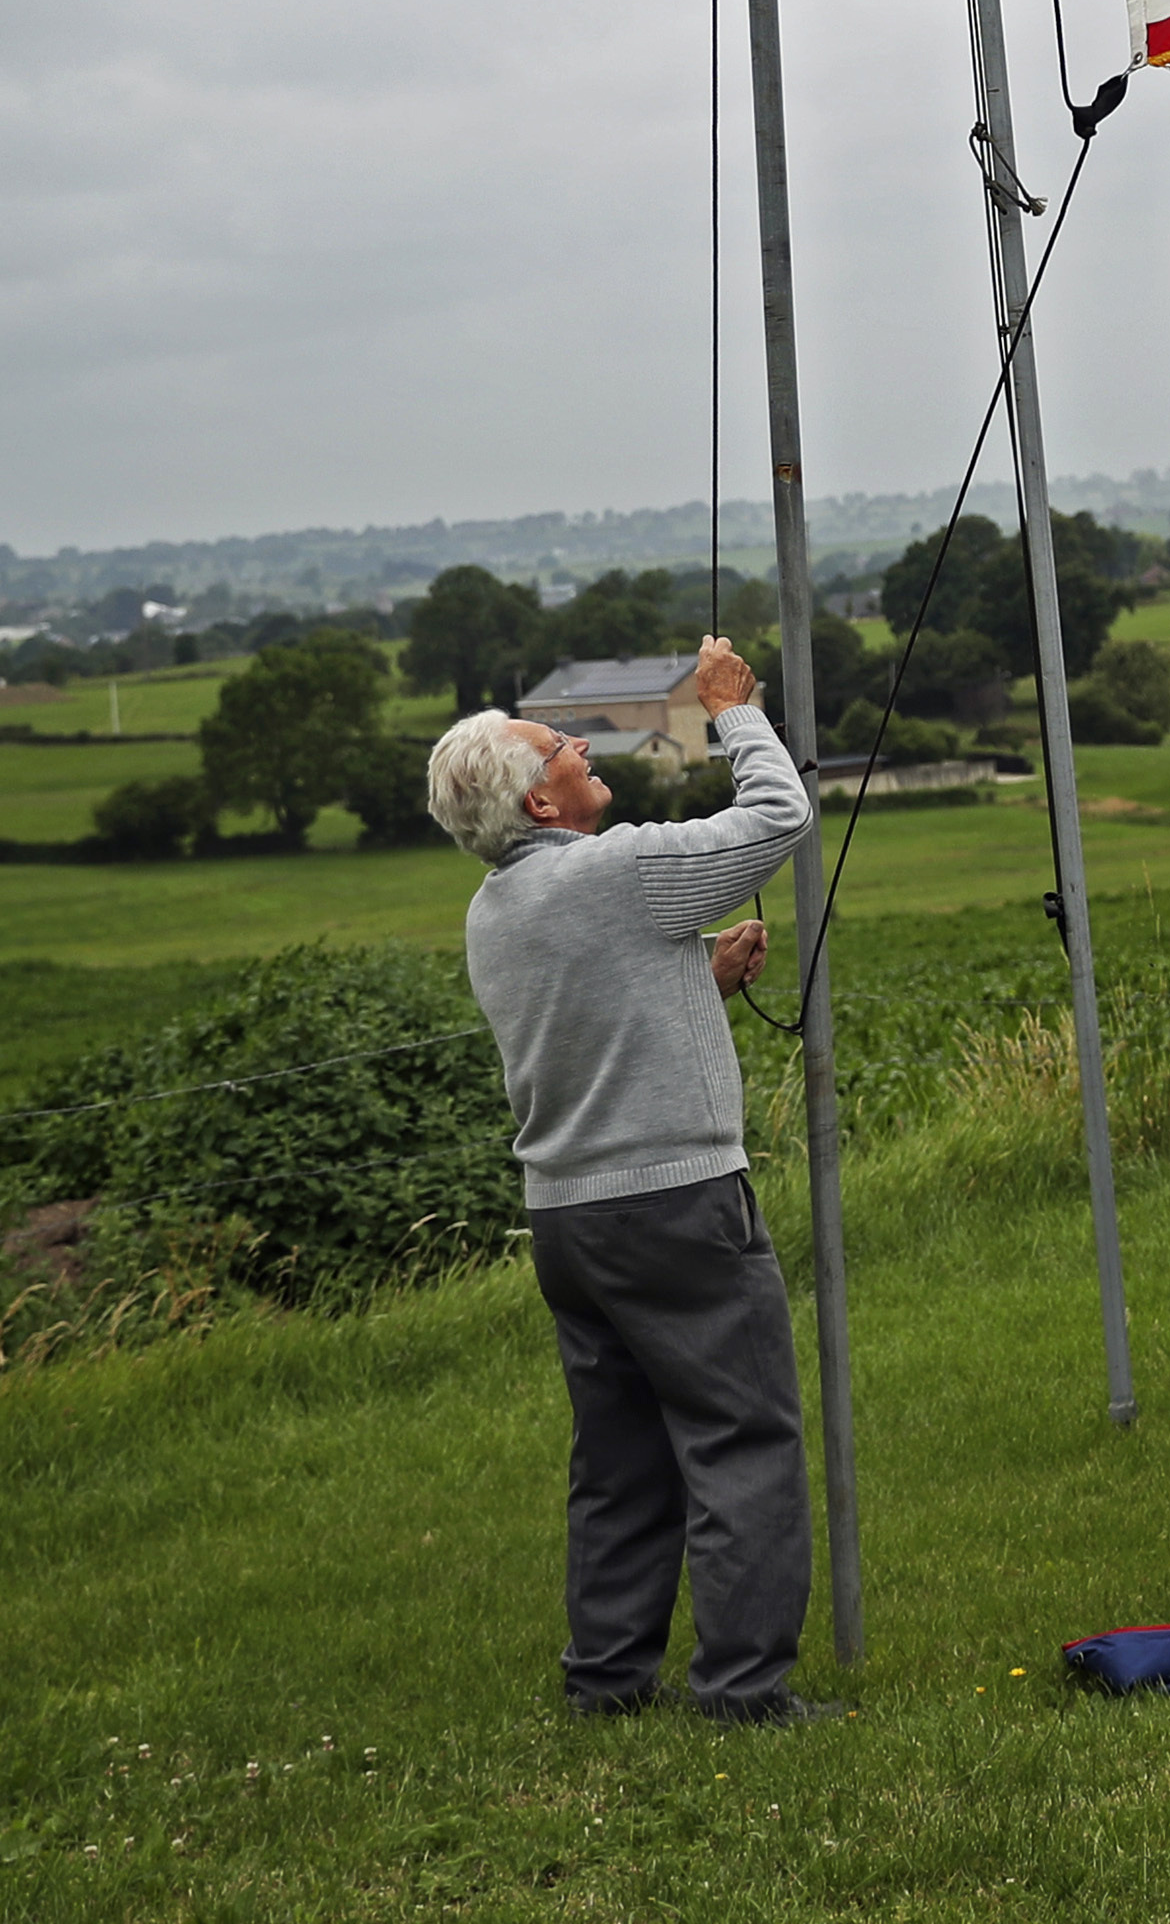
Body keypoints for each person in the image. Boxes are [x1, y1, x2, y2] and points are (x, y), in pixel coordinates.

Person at [427, 637, 833, 1724]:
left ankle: (607, 1683)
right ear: (543, 806)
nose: (576, 743)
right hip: (676, 1203)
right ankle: (745, 1694)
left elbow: (589, 1029)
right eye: (558, 745)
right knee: (742, 1440)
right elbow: (779, 821)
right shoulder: (614, 872)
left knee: (621, 1459)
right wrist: (729, 711)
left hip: (570, 1220)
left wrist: (697, 978)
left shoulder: (495, 912)